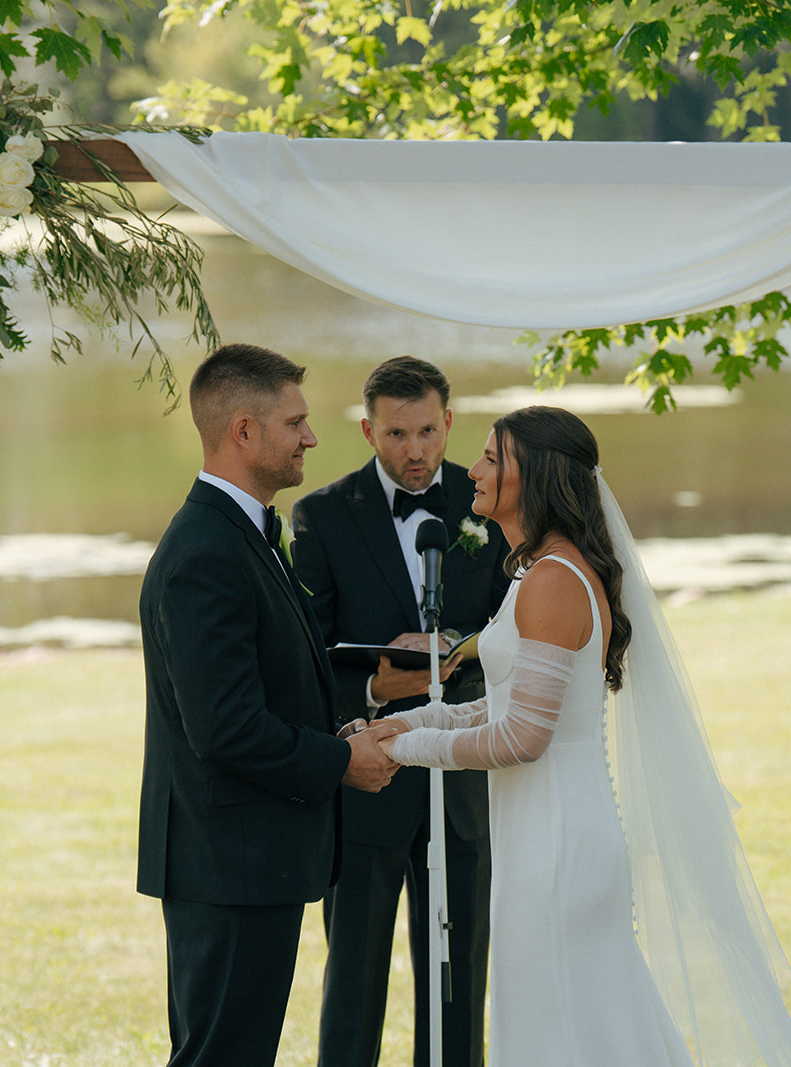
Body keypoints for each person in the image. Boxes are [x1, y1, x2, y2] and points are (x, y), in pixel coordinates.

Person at [373, 406, 791, 1067]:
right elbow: (500, 709)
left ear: (538, 476)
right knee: (587, 1031)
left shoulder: (554, 581)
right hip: (543, 837)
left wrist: (402, 750)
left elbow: (523, 736)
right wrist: (401, 723)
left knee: (566, 1036)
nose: (473, 468)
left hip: (557, 846)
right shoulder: (539, 572)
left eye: (493, 458)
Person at [136, 342, 401, 1067]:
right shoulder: (205, 554)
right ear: (244, 431)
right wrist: (340, 760)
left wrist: (342, 724)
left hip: (251, 859)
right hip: (229, 863)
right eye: (296, 422)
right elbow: (224, 727)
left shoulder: (245, 533)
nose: (312, 437)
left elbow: (265, 687)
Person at [291, 356, 510, 1067]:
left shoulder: (487, 503)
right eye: (395, 434)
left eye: (426, 431)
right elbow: (307, 654)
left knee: (459, 981)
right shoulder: (321, 516)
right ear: (367, 429)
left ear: (448, 423)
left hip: (463, 781)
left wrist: (460, 652)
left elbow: (517, 625)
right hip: (369, 778)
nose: (414, 451)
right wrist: (375, 692)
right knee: (352, 981)